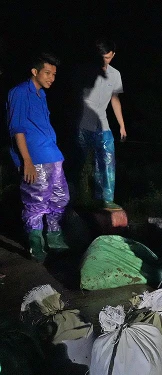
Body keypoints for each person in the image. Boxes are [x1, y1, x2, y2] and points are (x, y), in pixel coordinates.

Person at [6, 53, 70, 262]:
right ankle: (36, 245)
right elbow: (17, 129)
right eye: (47, 73)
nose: (51, 77)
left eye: (54, 74)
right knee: (36, 201)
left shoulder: (41, 95)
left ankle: (54, 237)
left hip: (52, 154)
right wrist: (26, 161)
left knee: (60, 198)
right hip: (35, 158)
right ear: (35, 72)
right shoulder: (19, 93)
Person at [76, 38, 126, 211]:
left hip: (102, 123)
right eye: (103, 57)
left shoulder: (115, 74)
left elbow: (115, 98)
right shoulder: (85, 71)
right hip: (82, 122)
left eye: (109, 57)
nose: (106, 61)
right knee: (80, 163)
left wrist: (121, 124)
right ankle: (76, 198)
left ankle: (106, 199)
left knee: (107, 160)